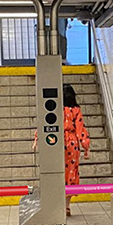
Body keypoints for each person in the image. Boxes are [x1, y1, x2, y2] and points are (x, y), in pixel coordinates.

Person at [33, 84, 90, 216]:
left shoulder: (55, 109)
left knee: (56, 172)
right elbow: (81, 130)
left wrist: (37, 138)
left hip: (56, 141)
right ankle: (67, 206)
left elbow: (44, 123)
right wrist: (86, 147)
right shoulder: (76, 110)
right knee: (71, 172)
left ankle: (55, 205)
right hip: (72, 143)